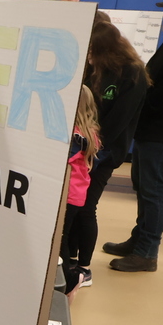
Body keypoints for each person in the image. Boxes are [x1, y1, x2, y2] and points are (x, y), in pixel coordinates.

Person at [103, 0, 163, 272]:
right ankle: (139, 240)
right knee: (144, 188)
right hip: (152, 129)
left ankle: (146, 253)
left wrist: (139, 103)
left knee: (155, 193)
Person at [67, 21, 148, 285]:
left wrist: (92, 150)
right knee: (73, 206)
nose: (89, 55)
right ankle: (68, 258)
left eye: (93, 50)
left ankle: (84, 268)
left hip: (105, 152)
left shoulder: (133, 74)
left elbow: (117, 123)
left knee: (87, 207)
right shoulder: (94, 68)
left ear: (107, 49)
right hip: (83, 148)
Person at [61, 86, 100, 299]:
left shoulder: (76, 137)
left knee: (61, 241)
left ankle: (68, 281)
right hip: (75, 195)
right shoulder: (89, 132)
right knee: (63, 239)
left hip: (68, 196)